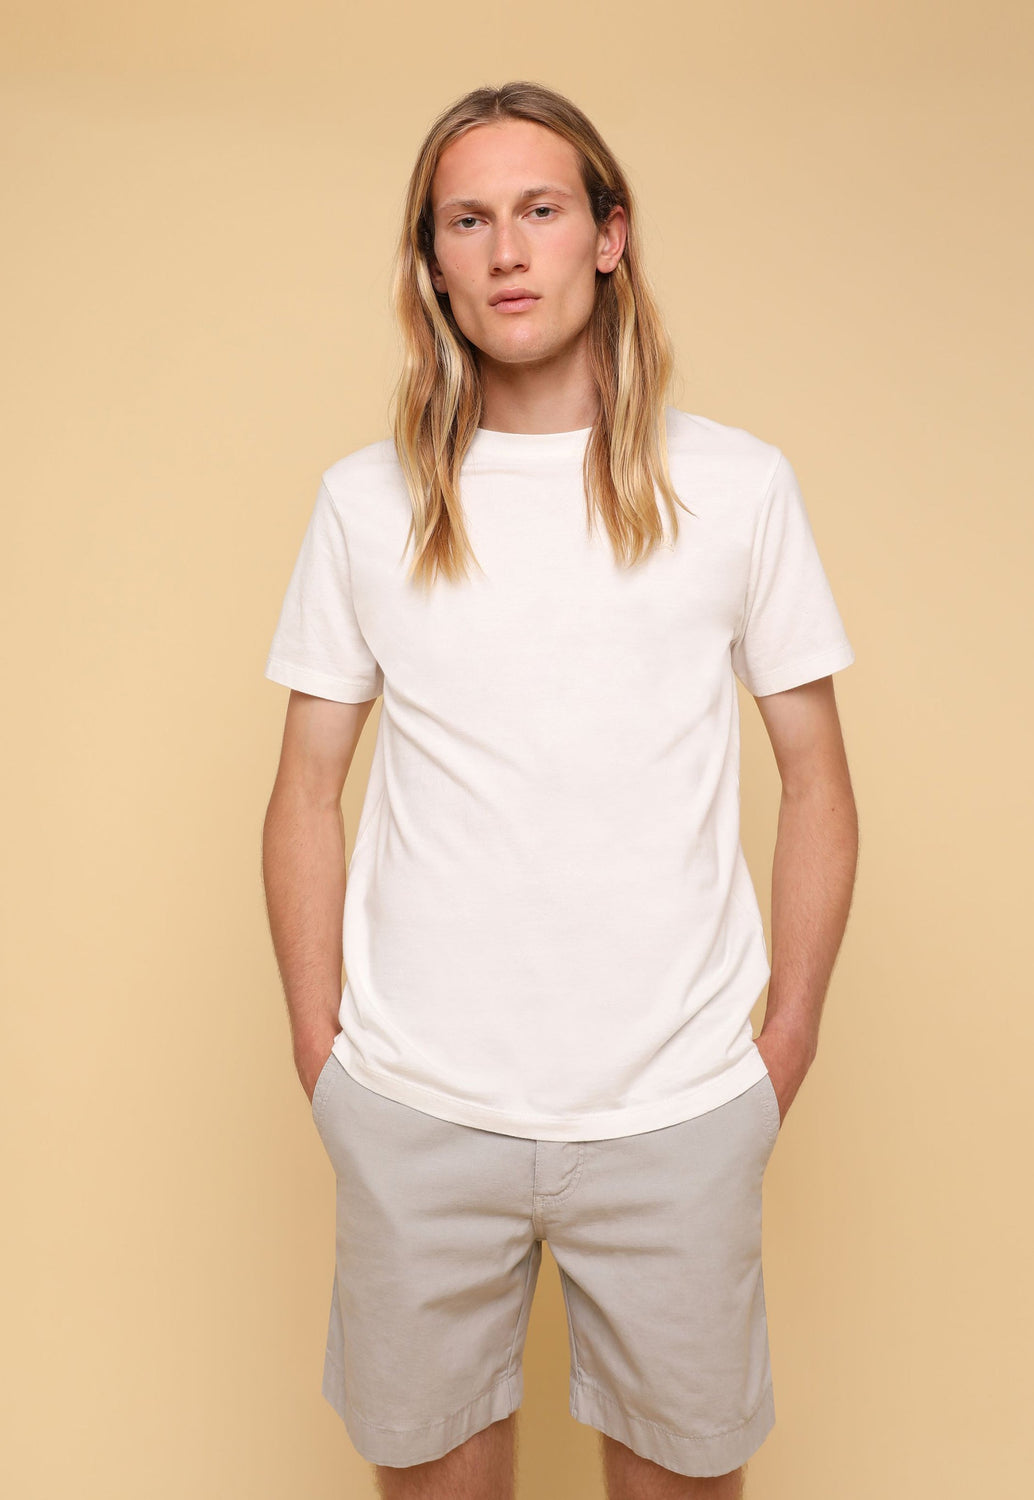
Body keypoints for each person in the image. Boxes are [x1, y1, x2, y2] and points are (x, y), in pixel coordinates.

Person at [261, 80, 859, 1500]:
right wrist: (322, 1056)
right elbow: (304, 790)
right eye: (467, 220)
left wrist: (780, 1051)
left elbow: (818, 779)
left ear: (608, 234)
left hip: (678, 1112)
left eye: (539, 209)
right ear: (433, 259)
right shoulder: (365, 503)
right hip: (414, 1111)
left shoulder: (737, 488)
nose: (508, 250)